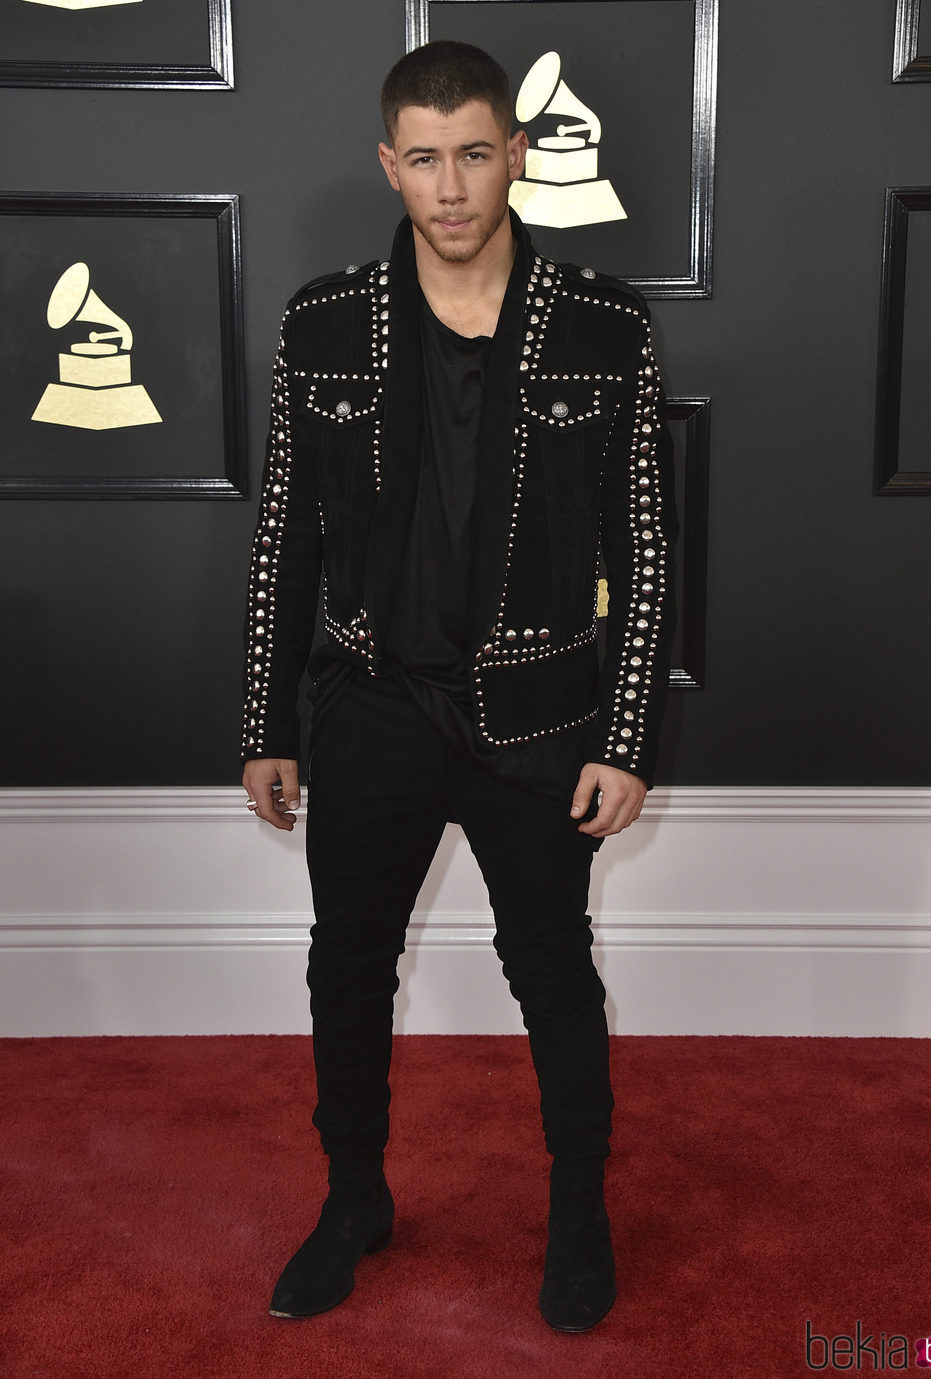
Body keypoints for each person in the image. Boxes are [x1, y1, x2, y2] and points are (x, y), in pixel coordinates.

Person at [241, 39, 676, 1333]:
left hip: (540, 714)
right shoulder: (322, 319)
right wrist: (270, 721)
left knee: (552, 967)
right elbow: (288, 537)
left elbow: (643, 546)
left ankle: (580, 1210)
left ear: (515, 158)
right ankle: (352, 1197)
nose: (449, 187)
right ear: (390, 164)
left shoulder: (605, 325)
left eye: (474, 155)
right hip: (371, 702)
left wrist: (629, 734)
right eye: (423, 159)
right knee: (347, 966)